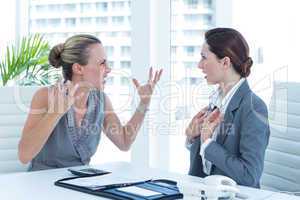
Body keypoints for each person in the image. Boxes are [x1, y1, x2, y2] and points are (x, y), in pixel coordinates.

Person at [18, 34, 163, 171]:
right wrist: (55, 112)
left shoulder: (101, 101)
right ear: (78, 68)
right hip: (42, 185)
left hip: (79, 184)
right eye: (102, 63)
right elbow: (24, 156)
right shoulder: (46, 96)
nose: (108, 69)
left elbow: (124, 142)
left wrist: (144, 103)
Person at [185, 28, 270, 188]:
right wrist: (192, 137)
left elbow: (249, 175)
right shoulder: (215, 101)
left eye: (204, 57)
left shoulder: (253, 107)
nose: (199, 65)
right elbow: (206, 168)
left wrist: (208, 143)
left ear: (225, 62)